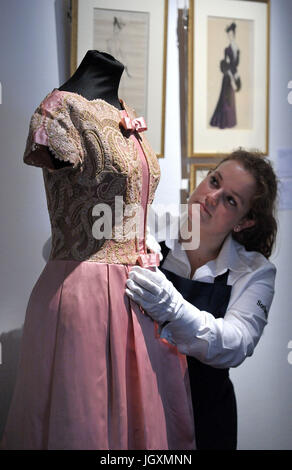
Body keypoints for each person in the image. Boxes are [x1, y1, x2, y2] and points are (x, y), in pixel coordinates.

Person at [1, 51, 195, 450]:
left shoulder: (126, 112)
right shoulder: (59, 112)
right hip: (84, 292)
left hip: (139, 295)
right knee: (84, 421)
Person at [126, 149, 278, 450]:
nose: (212, 196)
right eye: (214, 181)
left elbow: (237, 343)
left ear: (244, 222)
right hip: (140, 406)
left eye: (230, 200)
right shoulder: (150, 226)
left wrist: (173, 309)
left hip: (206, 420)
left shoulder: (255, 272)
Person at [210, 22, 241, 129]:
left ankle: (230, 121)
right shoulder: (226, 50)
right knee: (225, 99)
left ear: (234, 34)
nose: (230, 37)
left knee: (231, 99)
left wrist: (236, 76)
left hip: (233, 75)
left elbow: (236, 65)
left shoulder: (237, 49)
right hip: (227, 77)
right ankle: (223, 122)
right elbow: (226, 64)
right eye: (229, 35)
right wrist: (230, 75)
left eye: (231, 35)